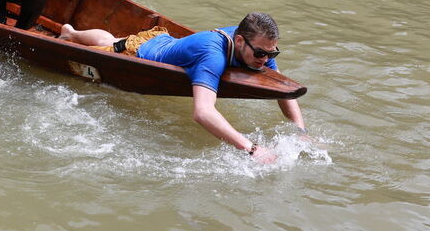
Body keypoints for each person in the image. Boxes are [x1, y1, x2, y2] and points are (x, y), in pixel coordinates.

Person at [59, 13, 307, 162]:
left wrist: (300, 131)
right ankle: (70, 33)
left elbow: (280, 84)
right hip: (141, 51)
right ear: (239, 41)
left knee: (112, 41)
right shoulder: (212, 54)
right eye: (261, 53)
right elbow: (202, 112)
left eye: (271, 52)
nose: (265, 59)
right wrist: (252, 149)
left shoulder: (257, 45)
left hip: (166, 43)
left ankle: (73, 32)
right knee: (113, 44)